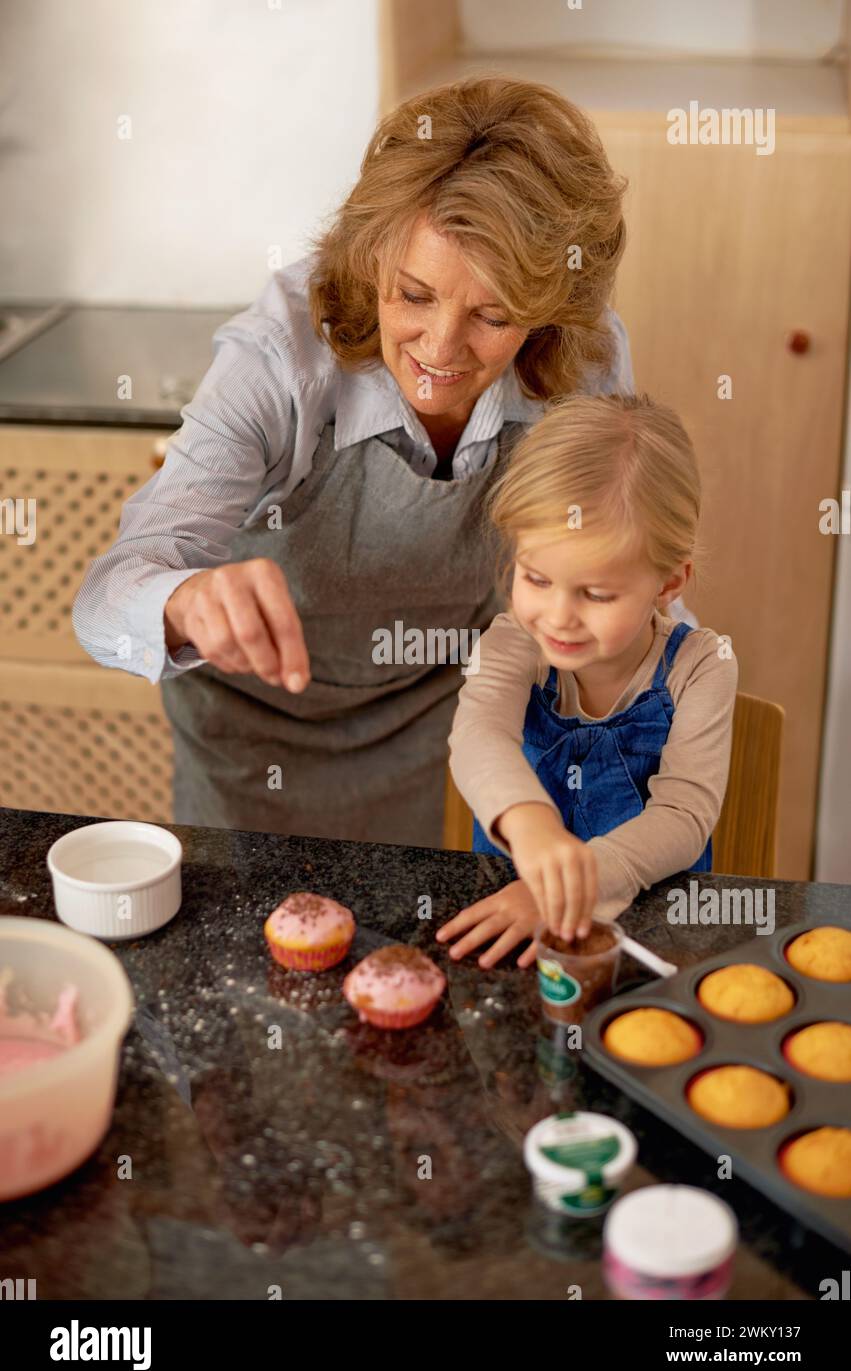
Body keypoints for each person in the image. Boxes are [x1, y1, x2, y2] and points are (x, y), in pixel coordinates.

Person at [73, 75, 637, 848]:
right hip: (253, 742)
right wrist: (185, 601)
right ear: (370, 256)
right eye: (411, 294)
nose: (439, 351)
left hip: (449, 722)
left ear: (546, 312)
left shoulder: (583, 359)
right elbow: (105, 599)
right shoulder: (281, 358)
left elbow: (614, 556)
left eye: (493, 315)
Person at [437, 393, 738, 966]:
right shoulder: (512, 642)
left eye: (596, 594)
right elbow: (478, 738)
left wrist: (571, 888)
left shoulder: (703, 665)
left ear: (670, 583)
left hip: (649, 932)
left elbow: (683, 817)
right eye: (536, 578)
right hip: (508, 915)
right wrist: (532, 828)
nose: (558, 616)